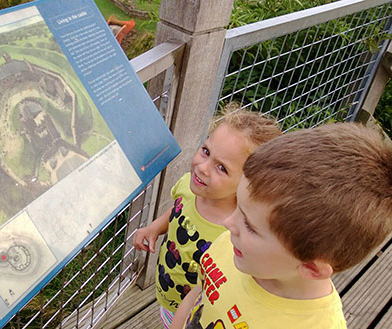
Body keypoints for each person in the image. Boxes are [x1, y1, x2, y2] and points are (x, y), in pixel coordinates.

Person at [170, 122, 392, 329]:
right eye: (239, 207)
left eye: (250, 225)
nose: (229, 223)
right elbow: (199, 293)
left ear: (312, 268)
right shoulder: (233, 246)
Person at [133, 109, 281, 328]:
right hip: (166, 294)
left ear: (250, 183)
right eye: (205, 151)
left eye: (221, 168)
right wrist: (154, 228)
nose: (202, 168)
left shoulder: (236, 228)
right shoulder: (187, 186)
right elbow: (177, 210)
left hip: (200, 315)